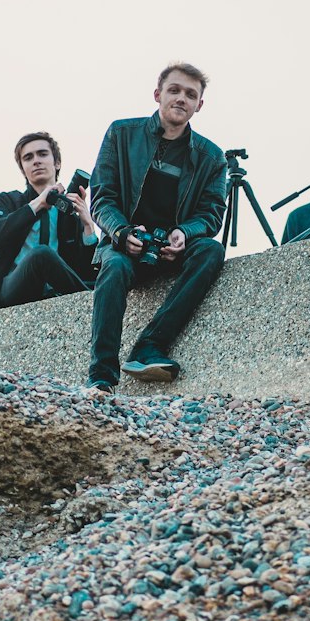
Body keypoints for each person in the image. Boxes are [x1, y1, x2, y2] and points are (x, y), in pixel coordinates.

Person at [86, 63, 227, 392]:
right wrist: (122, 233)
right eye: (174, 90)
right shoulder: (121, 133)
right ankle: (102, 378)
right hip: (124, 245)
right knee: (114, 267)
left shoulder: (212, 157)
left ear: (199, 105)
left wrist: (185, 233)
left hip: (171, 251)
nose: (181, 98)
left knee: (210, 249)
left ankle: (149, 346)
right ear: (157, 94)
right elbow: (102, 198)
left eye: (191, 95)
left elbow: (211, 213)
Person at [0, 132, 97, 315]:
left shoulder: (68, 213)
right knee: (41, 255)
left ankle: (93, 303)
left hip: (56, 291)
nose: (36, 161)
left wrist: (88, 226)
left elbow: (88, 271)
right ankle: (93, 306)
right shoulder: (7, 201)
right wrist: (37, 204)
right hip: (10, 293)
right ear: (23, 169)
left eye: (42, 154)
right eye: (28, 158)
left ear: (57, 163)